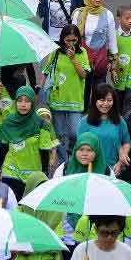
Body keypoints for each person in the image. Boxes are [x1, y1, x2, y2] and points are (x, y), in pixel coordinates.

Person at [41, 24, 89, 164]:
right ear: (62, 39)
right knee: (60, 134)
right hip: (57, 99)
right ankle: (63, 162)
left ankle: (72, 151)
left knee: (75, 133)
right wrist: (41, 87)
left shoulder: (83, 53)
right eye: (67, 40)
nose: (71, 43)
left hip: (75, 100)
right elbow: (47, 71)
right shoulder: (55, 52)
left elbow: (84, 75)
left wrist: (73, 59)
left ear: (78, 40)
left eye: (74, 40)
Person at [0, 85, 53, 201]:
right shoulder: (8, 122)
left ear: (32, 103)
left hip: (33, 174)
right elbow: (4, 147)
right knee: (12, 207)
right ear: (15, 102)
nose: (23, 104)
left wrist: (45, 173)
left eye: (27, 101)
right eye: (20, 101)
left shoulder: (41, 124)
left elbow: (44, 151)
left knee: (28, 209)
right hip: (11, 170)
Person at [72, 0, 118, 107]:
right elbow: (72, 38)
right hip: (82, 60)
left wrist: (114, 62)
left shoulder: (108, 14)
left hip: (100, 61)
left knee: (100, 93)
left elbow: (112, 38)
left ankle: (97, 118)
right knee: (83, 92)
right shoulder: (78, 14)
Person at [78, 83, 131, 173]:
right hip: (90, 169)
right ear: (95, 100)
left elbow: (126, 142)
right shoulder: (85, 121)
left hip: (113, 169)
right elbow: (80, 147)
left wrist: (121, 161)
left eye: (109, 100)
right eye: (102, 100)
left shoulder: (119, 120)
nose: (106, 104)